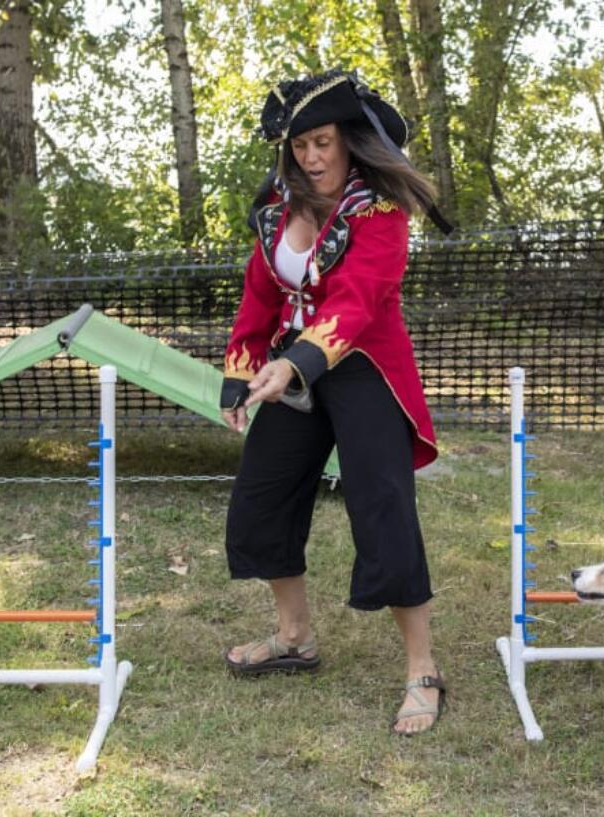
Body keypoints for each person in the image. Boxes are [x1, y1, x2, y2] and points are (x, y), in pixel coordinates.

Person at [218, 70, 450, 736]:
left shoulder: (379, 211)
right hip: (297, 369)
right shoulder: (274, 206)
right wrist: (240, 371)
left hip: (365, 365)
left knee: (382, 509)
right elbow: (260, 295)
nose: (312, 158)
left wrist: (291, 361)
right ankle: (295, 638)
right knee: (262, 498)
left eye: (323, 142)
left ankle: (422, 669)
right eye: (300, 146)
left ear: (349, 140)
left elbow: (358, 302)